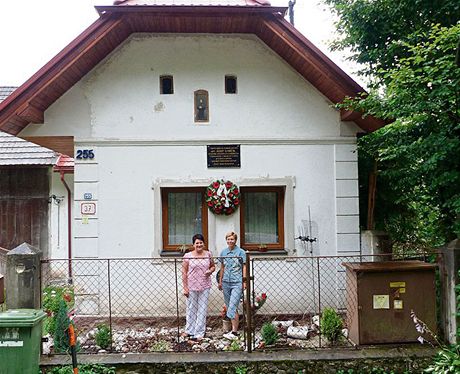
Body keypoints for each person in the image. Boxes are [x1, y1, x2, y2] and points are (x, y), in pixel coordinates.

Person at [182, 233, 215, 341]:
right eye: (197, 243)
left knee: (202, 309)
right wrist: (185, 287)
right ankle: (189, 330)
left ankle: (200, 332)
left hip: (205, 285)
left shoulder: (208, 254)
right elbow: (184, 272)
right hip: (191, 286)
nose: (199, 245)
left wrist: (210, 271)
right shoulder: (188, 256)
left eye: (201, 242)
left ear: (204, 244)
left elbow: (213, 266)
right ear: (193, 244)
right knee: (191, 308)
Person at [218, 231, 247, 340]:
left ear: (235, 240)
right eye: (228, 239)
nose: (230, 241)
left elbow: (244, 267)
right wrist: (220, 281)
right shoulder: (223, 252)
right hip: (226, 282)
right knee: (230, 306)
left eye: (232, 239)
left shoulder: (241, 252)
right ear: (226, 240)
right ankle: (234, 331)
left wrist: (244, 281)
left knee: (233, 305)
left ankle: (234, 332)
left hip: (237, 282)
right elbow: (222, 268)